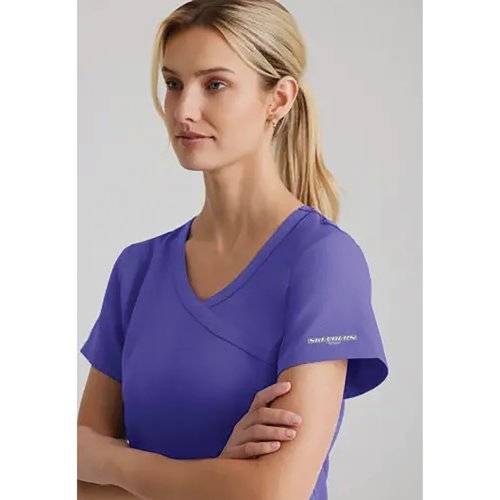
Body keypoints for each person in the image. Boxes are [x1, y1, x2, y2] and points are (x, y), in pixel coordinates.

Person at [77, 1, 389, 499]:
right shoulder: (137, 269)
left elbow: (274, 492)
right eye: (173, 83)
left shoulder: (322, 261)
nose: (183, 110)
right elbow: (74, 481)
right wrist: (217, 479)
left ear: (278, 99)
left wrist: (113, 462)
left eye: (215, 85)